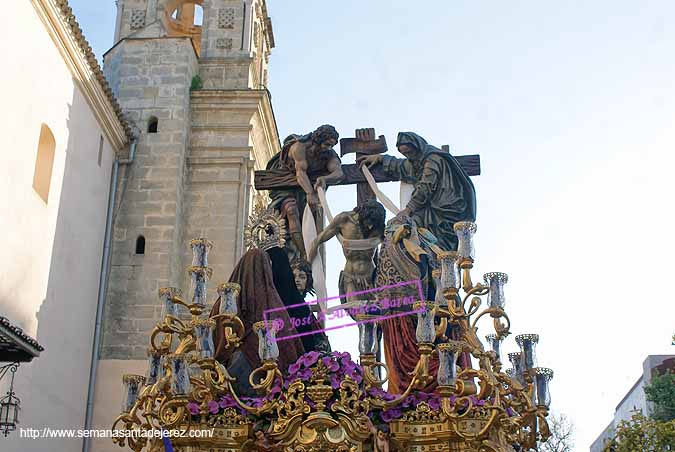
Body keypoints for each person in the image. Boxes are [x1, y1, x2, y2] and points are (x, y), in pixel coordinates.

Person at [358, 132, 476, 251]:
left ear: (417, 146)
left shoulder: (433, 159)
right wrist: (381, 158)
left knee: (440, 243)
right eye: (404, 154)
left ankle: (442, 262)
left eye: (409, 152)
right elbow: (401, 166)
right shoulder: (417, 160)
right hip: (431, 208)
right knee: (411, 229)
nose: (408, 156)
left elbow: (426, 187)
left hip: (447, 208)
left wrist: (408, 210)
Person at [266, 125, 343, 261]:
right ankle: (302, 254)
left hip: (308, 191)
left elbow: (338, 173)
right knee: (291, 210)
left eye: (332, 145)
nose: (328, 148)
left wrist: (326, 178)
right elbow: (300, 172)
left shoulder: (329, 154)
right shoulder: (299, 147)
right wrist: (310, 193)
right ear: (317, 140)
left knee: (314, 221)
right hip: (286, 189)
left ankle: (309, 254)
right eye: (326, 144)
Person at [307, 199, 386, 316]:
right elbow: (317, 241)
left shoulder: (379, 227)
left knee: (378, 317)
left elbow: (392, 246)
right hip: (351, 277)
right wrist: (308, 267)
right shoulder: (344, 220)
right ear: (362, 215)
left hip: (370, 278)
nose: (370, 228)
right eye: (369, 223)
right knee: (358, 314)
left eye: (373, 225)